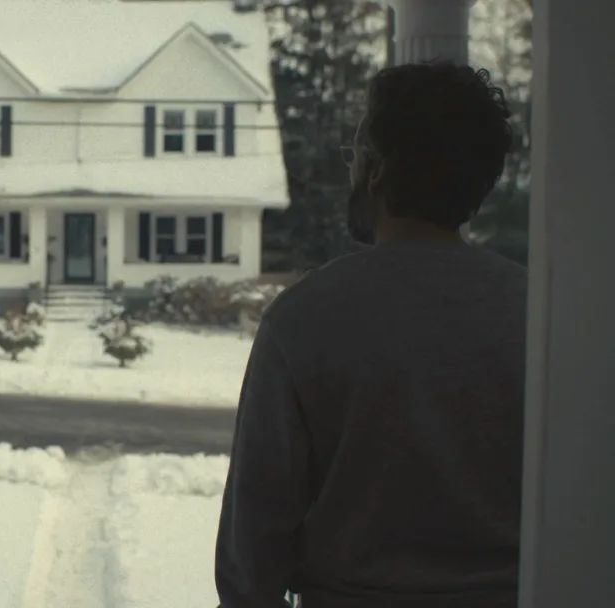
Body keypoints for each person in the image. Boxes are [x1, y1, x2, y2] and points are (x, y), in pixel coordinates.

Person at [216, 62, 524, 608]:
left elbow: (253, 552)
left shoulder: (305, 318)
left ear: (376, 170)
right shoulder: (536, 313)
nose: (351, 168)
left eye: (355, 153)